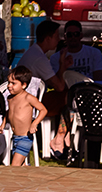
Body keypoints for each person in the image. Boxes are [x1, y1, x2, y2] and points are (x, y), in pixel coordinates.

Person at [17, 20, 72, 159]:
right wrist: (62, 66)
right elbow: (59, 87)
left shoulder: (34, 52)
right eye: (56, 36)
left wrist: (61, 67)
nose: (59, 39)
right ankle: (60, 138)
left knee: (67, 96)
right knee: (71, 96)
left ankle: (64, 135)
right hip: (29, 104)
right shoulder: (39, 58)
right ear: (48, 38)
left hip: (26, 99)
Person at [0, 66, 47, 167]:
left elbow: (43, 110)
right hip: (15, 137)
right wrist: (3, 124)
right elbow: (9, 112)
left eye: (13, 83)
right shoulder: (10, 98)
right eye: (8, 82)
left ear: (24, 85)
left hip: (25, 138)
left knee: (15, 165)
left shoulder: (28, 98)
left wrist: (34, 123)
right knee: (21, 166)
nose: (9, 86)